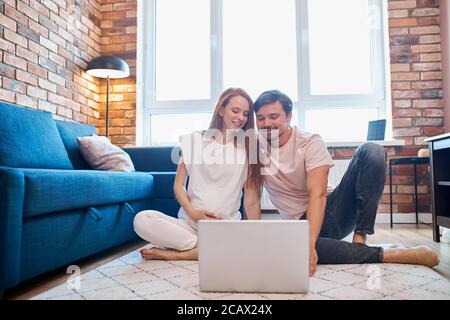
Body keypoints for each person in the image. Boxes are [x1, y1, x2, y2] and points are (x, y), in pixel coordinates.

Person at [254, 90, 439, 276]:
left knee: (372, 150)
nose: (266, 123)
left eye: (273, 116)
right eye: (260, 118)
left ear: (289, 116)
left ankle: (360, 240)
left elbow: (317, 196)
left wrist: (309, 246)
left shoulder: (309, 142)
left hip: (332, 211)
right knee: (288, 244)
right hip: (297, 226)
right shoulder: (254, 147)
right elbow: (251, 195)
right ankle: (391, 253)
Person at [133, 88, 262, 260]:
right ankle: (207, 249)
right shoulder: (194, 140)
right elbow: (178, 185)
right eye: (235, 110)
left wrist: (258, 237)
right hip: (189, 223)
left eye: (246, 114)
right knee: (142, 219)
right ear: (221, 110)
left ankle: (179, 254)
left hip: (225, 227)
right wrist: (193, 213)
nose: (241, 118)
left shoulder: (248, 148)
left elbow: (251, 200)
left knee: (244, 242)